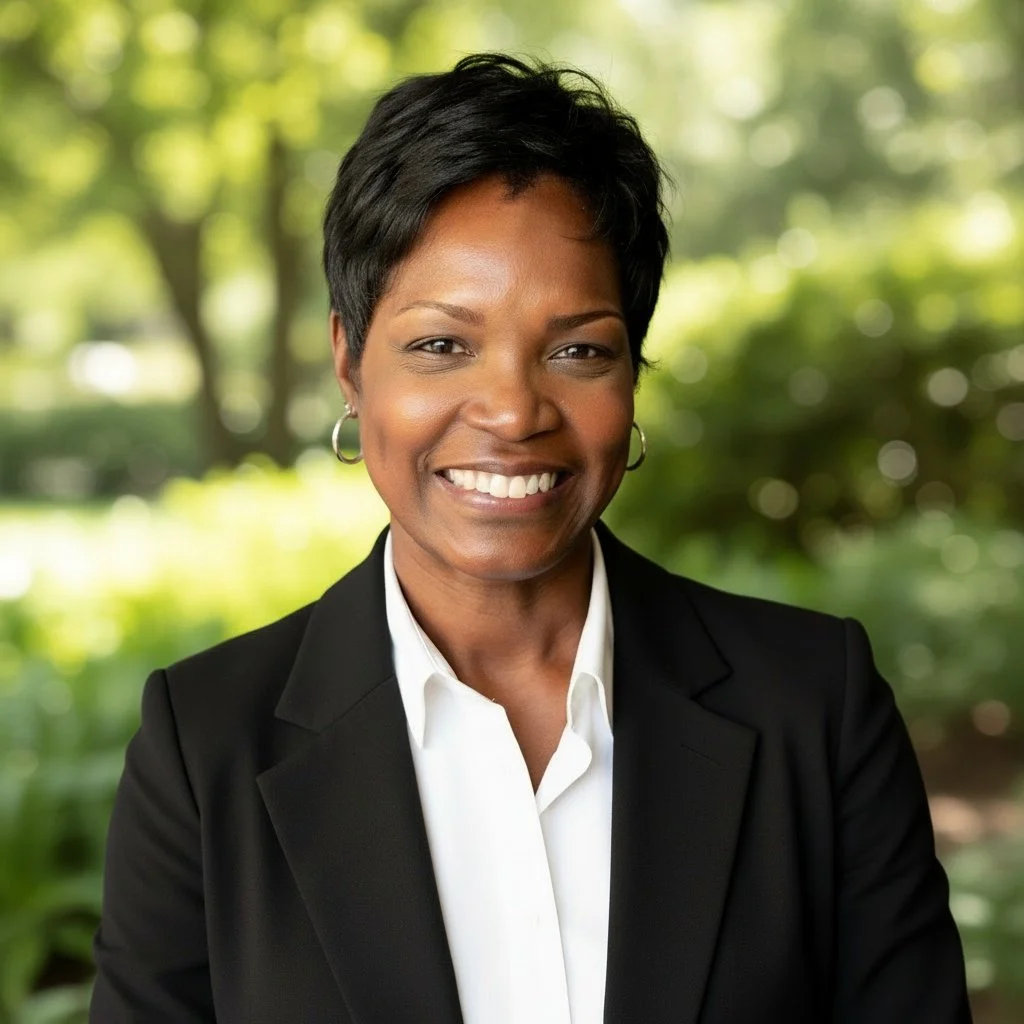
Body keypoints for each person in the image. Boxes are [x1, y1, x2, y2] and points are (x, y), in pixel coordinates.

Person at [89, 54, 971, 1024]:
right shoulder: (206, 744)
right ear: (349, 362)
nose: (511, 410)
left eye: (576, 349)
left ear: (632, 370)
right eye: (440, 344)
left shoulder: (813, 707)